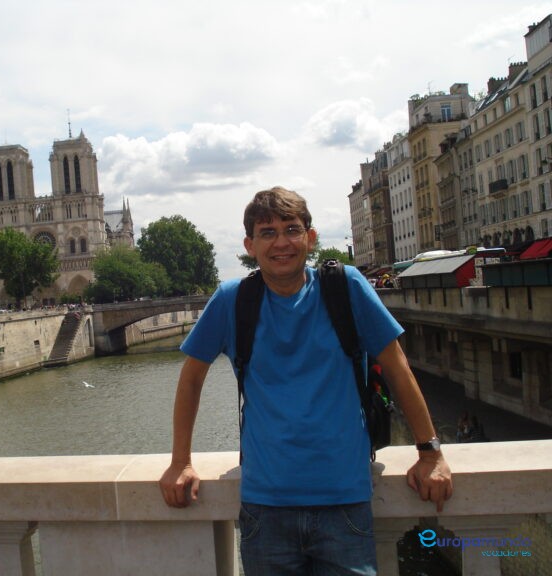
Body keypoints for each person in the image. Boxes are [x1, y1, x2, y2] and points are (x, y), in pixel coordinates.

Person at [159, 187, 453, 575]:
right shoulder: (232, 299)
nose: (281, 242)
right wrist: (180, 461)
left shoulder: (346, 287)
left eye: (291, 229)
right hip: (266, 507)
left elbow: (397, 367)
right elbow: (192, 378)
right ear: (250, 244)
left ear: (310, 239)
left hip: (344, 500)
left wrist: (430, 452)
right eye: (267, 233)